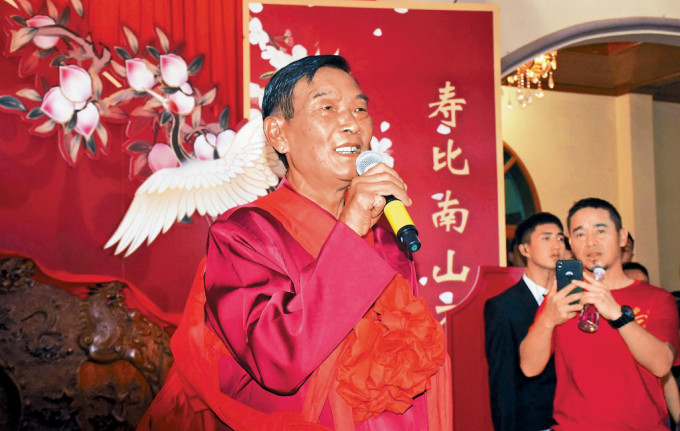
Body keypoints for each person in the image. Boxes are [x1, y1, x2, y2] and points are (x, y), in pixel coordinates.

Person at [138, 55, 451, 431]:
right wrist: (349, 231)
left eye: (359, 109)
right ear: (278, 134)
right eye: (327, 108)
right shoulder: (244, 234)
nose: (352, 123)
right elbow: (277, 360)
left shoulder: (388, 238)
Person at [519, 197, 680, 431]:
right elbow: (529, 367)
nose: (591, 242)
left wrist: (617, 315)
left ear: (622, 237)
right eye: (580, 234)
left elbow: (662, 365)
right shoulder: (563, 297)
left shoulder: (657, 299)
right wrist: (547, 320)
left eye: (600, 231)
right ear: (571, 243)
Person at [485, 213, 564, 431]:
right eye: (546, 238)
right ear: (525, 249)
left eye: (560, 238)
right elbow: (503, 383)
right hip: (533, 423)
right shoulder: (503, 307)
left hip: (576, 420)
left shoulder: (573, 298)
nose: (556, 245)